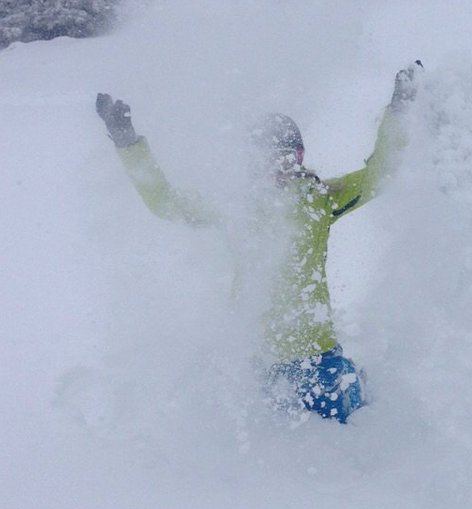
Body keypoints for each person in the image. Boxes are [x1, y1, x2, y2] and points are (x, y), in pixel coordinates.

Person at [95, 64, 420, 424]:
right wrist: (127, 142)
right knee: (272, 438)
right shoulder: (236, 206)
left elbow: (380, 175)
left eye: (289, 156)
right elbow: (166, 203)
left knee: (349, 426)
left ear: (299, 157)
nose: (279, 166)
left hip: (320, 357)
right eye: (269, 155)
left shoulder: (320, 198)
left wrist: (399, 112)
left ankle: (359, 382)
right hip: (258, 360)